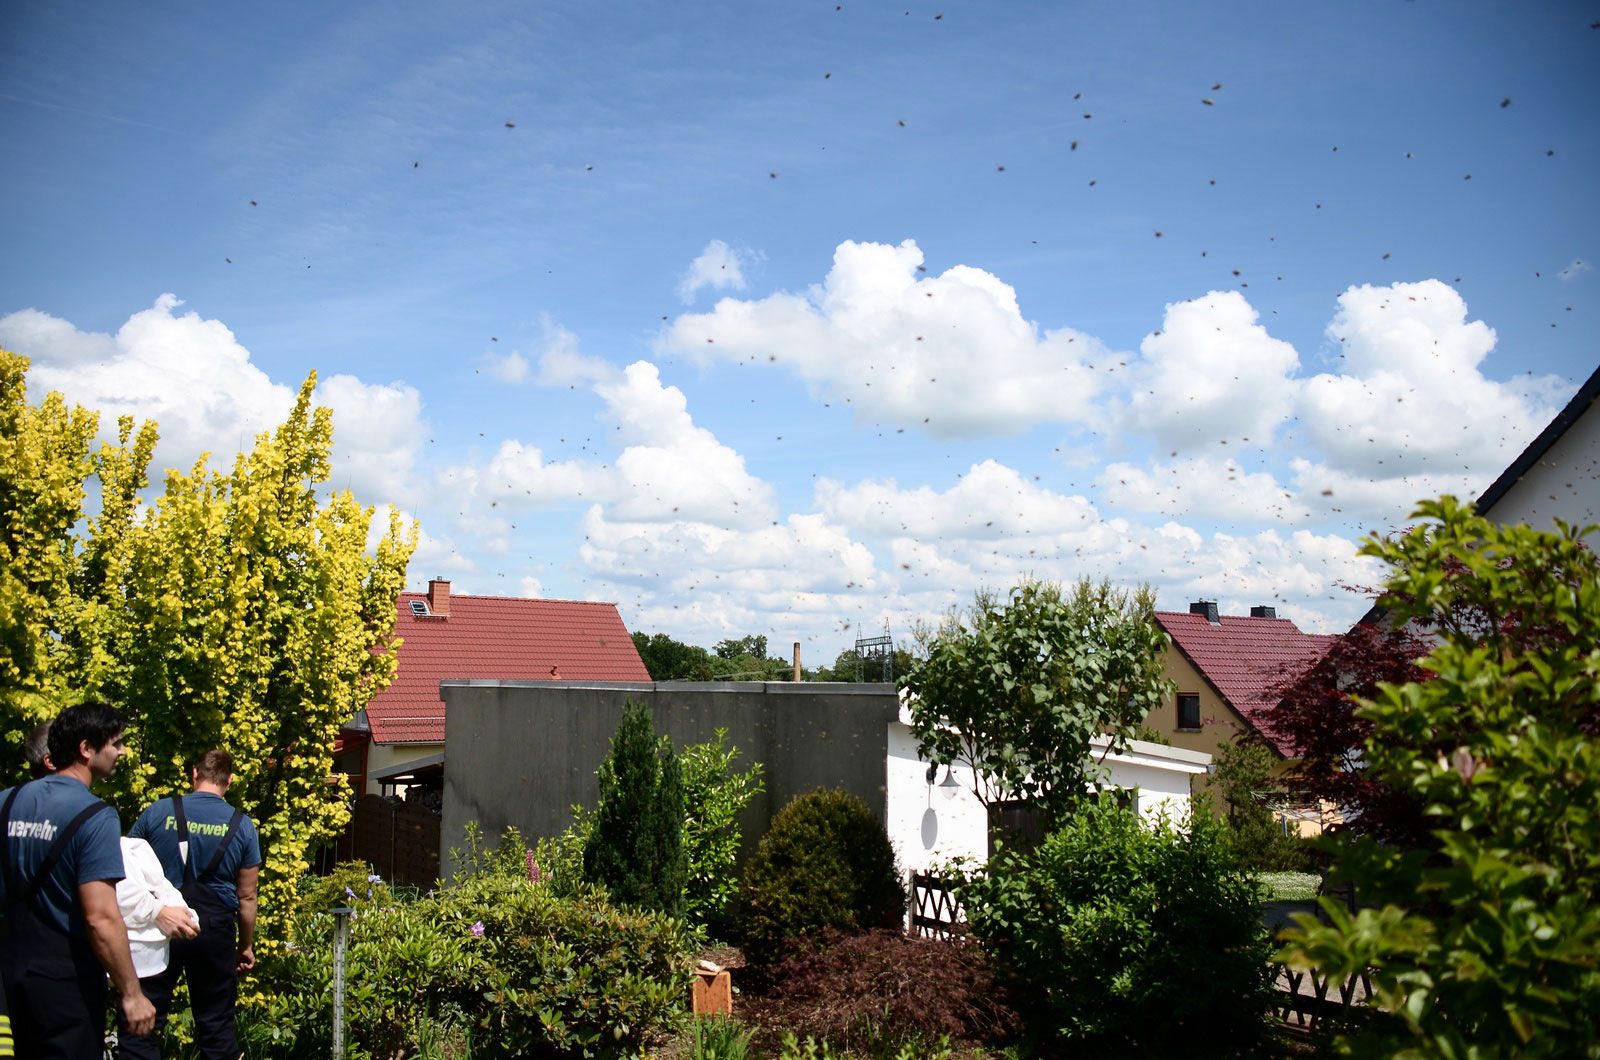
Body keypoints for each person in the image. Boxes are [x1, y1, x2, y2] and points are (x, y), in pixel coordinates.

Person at [0, 702, 157, 1059]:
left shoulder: (6, 802)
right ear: (86, 749)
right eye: (115, 743)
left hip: (9, 970)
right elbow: (100, 917)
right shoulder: (95, 816)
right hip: (64, 981)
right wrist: (131, 993)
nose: (122, 752)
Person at [119, 750, 261, 1060]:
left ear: (194, 775)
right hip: (213, 931)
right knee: (217, 1028)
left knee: (143, 1022)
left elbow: (126, 867)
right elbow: (247, 897)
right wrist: (246, 945)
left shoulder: (157, 813)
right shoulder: (243, 825)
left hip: (161, 926)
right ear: (230, 781)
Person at [116, 837, 199, 979]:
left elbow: (158, 882)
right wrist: (158, 911)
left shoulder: (151, 820)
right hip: (130, 950)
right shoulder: (241, 826)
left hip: (152, 950)